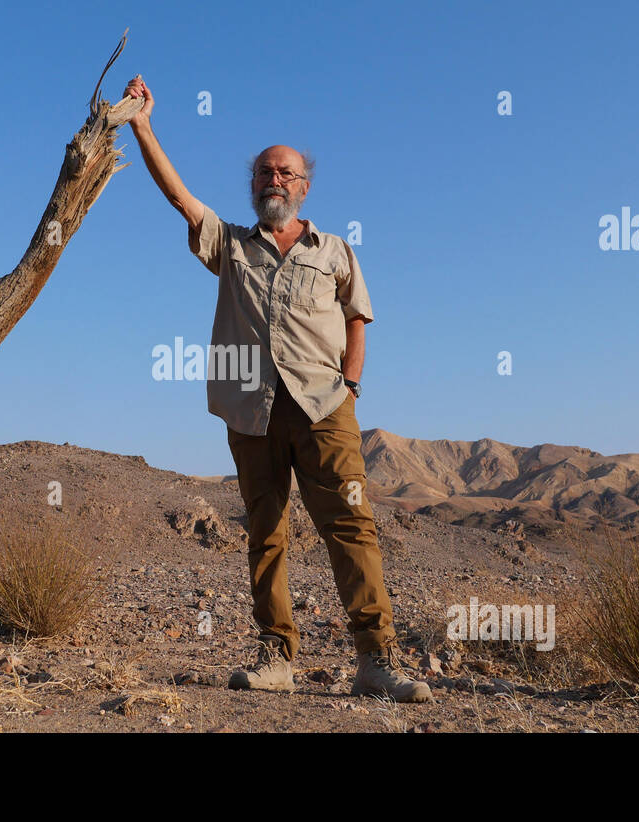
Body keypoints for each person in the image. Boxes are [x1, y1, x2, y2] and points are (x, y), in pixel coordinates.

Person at [123, 75, 429, 702]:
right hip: (250, 411)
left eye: (287, 173)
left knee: (351, 526)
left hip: (325, 408)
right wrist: (142, 126)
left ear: (305, 186)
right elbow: (181, 199)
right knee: (266, 532)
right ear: (254, 185)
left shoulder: (334, 249)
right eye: (266, 173)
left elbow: (356, 317)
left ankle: (375, 661)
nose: (275, 181)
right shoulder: (231, 245)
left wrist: (350, 385)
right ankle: (276, 656)